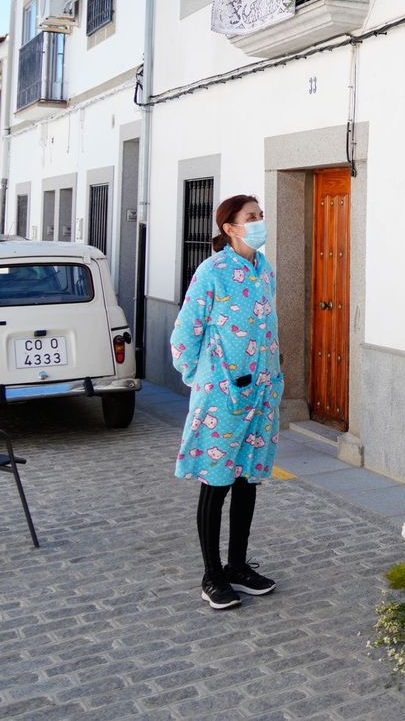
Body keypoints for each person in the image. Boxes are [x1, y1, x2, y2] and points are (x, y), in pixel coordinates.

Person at [170, 193, 285, 609]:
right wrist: (202, 379)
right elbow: (185, 333)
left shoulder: (263, 270)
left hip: (261, 392)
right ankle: (212, 574)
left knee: (246, 480)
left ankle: (238, 565)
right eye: (251, 216)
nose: (259, 221)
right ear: (230, 228)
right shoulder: (213, 271)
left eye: (261, 214)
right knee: (216, 483)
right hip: (221, 395)